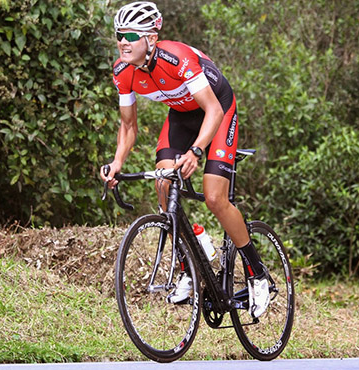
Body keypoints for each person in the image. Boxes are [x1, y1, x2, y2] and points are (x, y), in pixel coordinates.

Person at [100, 1, 269, 318]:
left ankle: (257, 273)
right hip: (180, 116)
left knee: (214, 197)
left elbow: (214, 110)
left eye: (131, 35)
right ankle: (194, 257)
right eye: (119, 34)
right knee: (163, 182)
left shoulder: (177, 58)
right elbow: (128, 126)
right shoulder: (123, 72)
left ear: (151, 38)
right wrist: (117, 162)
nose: (123, 41)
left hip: (216, 110)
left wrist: (196, 150)